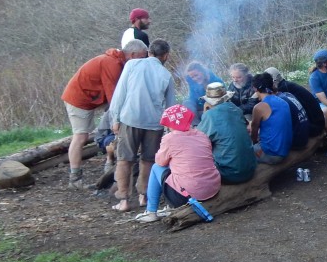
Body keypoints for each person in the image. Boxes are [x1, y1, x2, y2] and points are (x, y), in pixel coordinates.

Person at [60, 40, 149, 189]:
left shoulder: (118, 62)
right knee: (80, 136)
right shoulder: (112, 64)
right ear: (132, 55)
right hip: (79, 98)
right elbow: (114, 97)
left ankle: (110, 163)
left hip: (92, 97)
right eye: (142, 57)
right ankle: (75, 178)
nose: (144, 61)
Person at [107, 38, 176, 211]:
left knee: (124, 159)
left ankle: (123, 200)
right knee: (149, 160)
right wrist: (170, 130)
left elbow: (119, 94)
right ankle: (143, 196)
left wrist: (114, 119)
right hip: (154, 123)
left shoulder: (132, 65)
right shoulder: (166, 75)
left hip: (130, 118)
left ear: (150, 52)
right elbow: (170, 107)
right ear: (166, 55)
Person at [135, 104, 220, 223]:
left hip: (188, 195)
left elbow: (160, 161)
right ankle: (169, 207)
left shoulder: (170, 138)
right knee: (182, 166)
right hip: (213, 188)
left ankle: (151, 211)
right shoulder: (202, 135)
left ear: (170, 124)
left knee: (156, 168)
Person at [196, 82, 257, 184]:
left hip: (229, 174)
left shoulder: (210, 116)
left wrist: (205, 112)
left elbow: (199, 141)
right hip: (250, 169)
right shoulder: (235, 108)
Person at [265, 67, 326, 139]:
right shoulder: (287, 85)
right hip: (318, 122)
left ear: (273, 80)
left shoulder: (283, 90)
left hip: (315, 126)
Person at [249, 73, 294, 164]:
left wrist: (253, 142)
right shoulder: (282, 101)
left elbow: (253, 135)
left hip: (272, 155)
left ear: (254, 88)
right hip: (286, 149)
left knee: (243, 151)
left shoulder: (259, 107)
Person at [183, 61, 223, 126]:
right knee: (187, 103)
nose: (195, 78)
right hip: (202, 110)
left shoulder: (216, 81)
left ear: (202, 72)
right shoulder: (192, 83)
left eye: (196, 75)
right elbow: (192, 98)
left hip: (215, 110)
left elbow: (222, 100)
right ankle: (197, 126)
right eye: (192, 77)